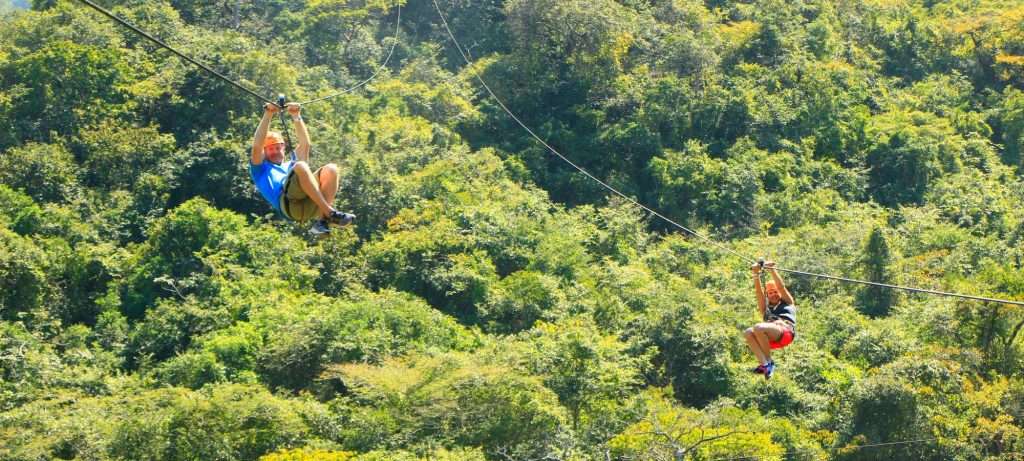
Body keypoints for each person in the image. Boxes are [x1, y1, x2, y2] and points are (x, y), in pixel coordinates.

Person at [250, 102, 354, 235]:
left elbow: (305, 144)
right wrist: (268, 114)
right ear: (264, 152)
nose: (275, 152)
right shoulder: (260, 169)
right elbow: (257, 146)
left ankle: (322, 223)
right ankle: (330, 213)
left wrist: (296, 115)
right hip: (289, 205)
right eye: (270, 149)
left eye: (277, 148)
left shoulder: (290, 163)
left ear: (283, 148)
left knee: (331, 169)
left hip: (310, 204)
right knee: (300, 165)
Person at [743, 260, 796, 380]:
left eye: (775, 292)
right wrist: (756, 274)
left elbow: (781, 287)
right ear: (768, 295)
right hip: (770, 339)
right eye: (770, 293)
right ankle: (765, 364)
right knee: (747, 332)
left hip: (785, 332)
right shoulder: (766, 309)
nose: (773, 294)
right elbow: (758, 293)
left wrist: (772, 270)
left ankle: (769, 362)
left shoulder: (787, 302)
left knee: (758, 327)